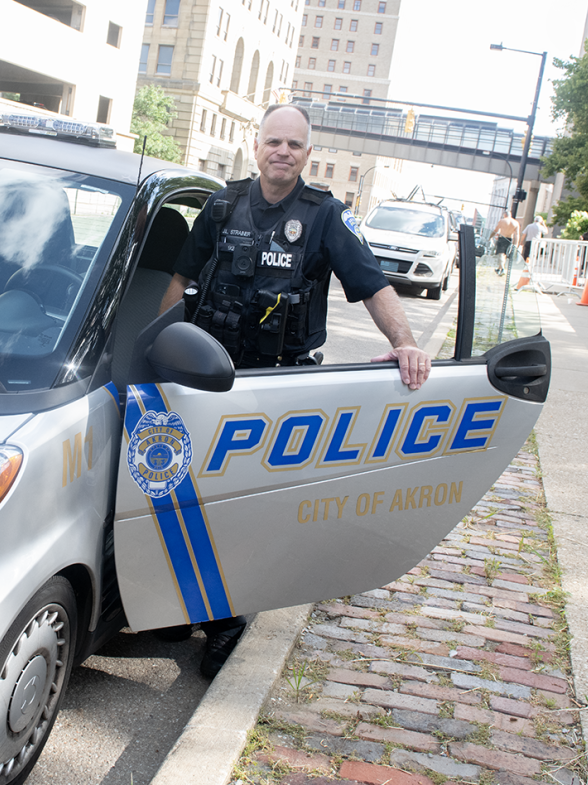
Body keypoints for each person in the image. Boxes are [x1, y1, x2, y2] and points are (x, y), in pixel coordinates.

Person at [155, 104, 431, 678]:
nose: (283, 152)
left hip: (277, 386)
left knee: (250, 504)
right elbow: (181, 281)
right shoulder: (223, 204)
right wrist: (161, 350)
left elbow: (373, 284)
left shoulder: (325, 215)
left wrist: (405, 342)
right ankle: (176, 605)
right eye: (274, 142)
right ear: (257, 146)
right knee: (183, 495)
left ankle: (226, 619)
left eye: (294, 145)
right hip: (206, 378)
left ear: (308, 154)